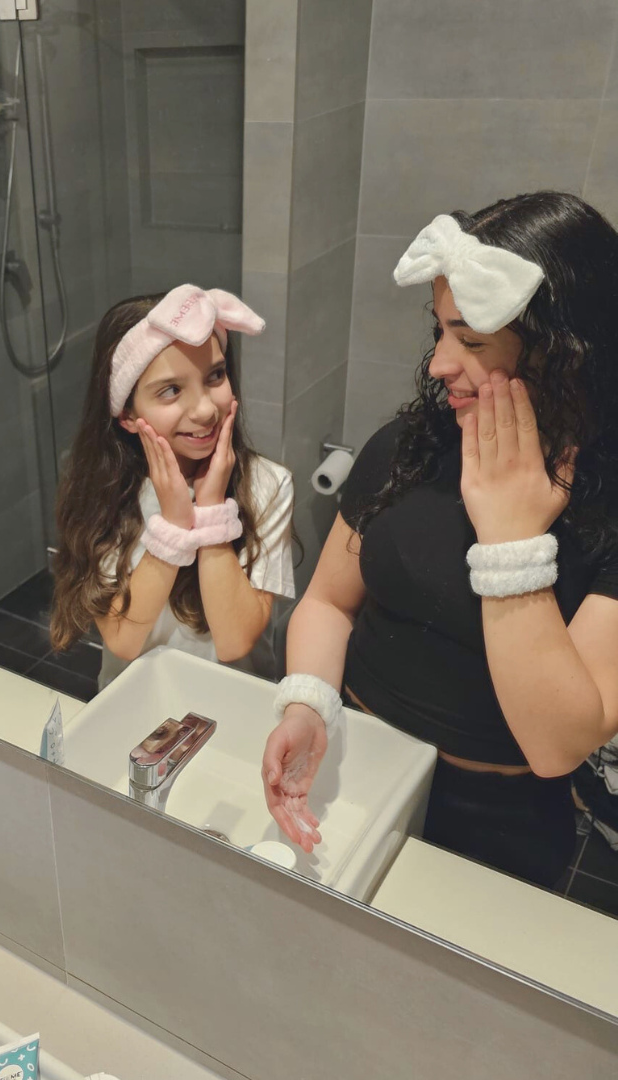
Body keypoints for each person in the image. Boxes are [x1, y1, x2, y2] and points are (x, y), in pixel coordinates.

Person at [262, 192, 618, 889]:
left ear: (565, 355)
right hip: (351, 765)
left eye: (472, 341)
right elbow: (330, 604)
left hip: (495, 826)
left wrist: (511, 540)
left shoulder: (608, 505)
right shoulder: (412, 445)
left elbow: (558, 745)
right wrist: (307, 702)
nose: (438, 365)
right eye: (439, 332)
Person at [50, 285, 295, 688]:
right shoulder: (102, 490)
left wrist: (213, 510)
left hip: (235, 704)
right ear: (127, 413)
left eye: (215, 375)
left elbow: (235, 642)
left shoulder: (266, 485)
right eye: (170, 390)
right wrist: (175, 527)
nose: (205, 410)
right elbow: (123, 639)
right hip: (137, 707)